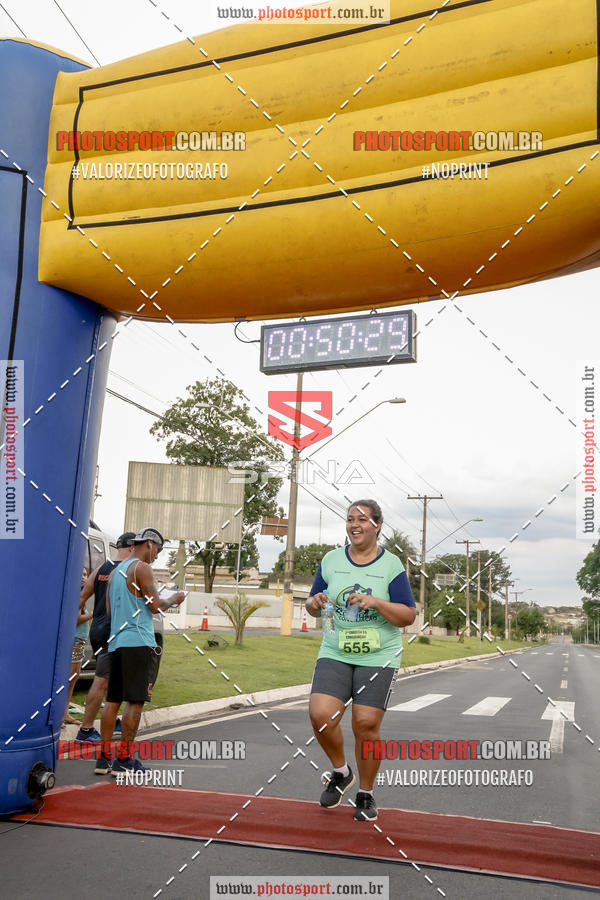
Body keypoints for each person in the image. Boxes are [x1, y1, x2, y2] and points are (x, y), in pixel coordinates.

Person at [306, 500, 416, 822]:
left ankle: (365, 794)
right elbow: (314, 606)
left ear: (377, 525)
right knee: (320, 715)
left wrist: (376, 602)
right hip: (336, 650)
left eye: (362, 519)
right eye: (350, 519)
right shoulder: (330, 560)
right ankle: (341, 772)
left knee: (365, 725)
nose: (355, 525)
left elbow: (407, 615)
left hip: (379, 655)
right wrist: (315, 602)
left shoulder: (391, 566)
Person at [95, 527, 185, 775]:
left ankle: (103, 759)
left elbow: (111, 612)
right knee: (135, 701)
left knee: (112, 700)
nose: (157, 555)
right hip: (139, 642)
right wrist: (174, 599)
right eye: (158, 549)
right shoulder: (142, 568)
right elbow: (156, 606)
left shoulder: (115, 573)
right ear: (148, 543)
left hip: (116, 642)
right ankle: (124, 760)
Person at [75, 533, 136, 746]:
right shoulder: (129, 570)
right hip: (114, 631)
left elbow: (81, 598)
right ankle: (86, 729)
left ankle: (111, 719)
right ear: (130, 548)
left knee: (111, 678)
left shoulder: (101, 569)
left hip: (98, 629)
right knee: (101, 679)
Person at [63, 568, 93, 725]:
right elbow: (76, 619)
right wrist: (92, 614)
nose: (83, 577)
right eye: (80, 574)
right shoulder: (77, 596)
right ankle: (62, 715)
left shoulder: (81, 595)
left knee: (73, 678)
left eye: (85, 575)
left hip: (79, 641)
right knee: (70, 678)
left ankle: (65, 713)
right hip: (75, 641)